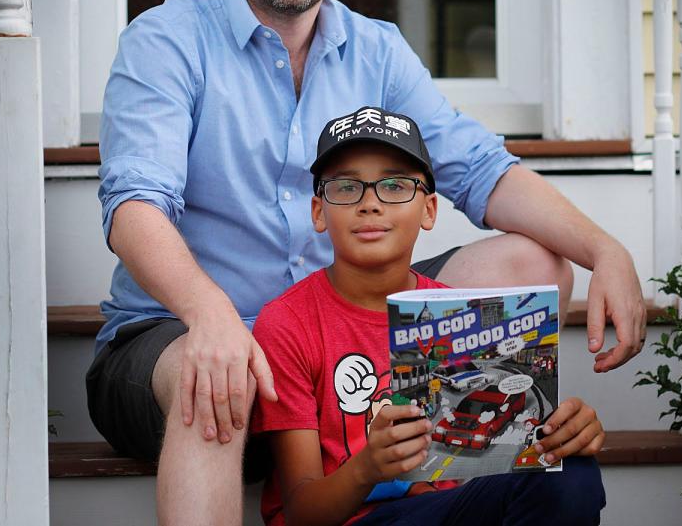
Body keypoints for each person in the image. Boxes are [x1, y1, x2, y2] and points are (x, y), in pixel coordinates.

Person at [86, 0, 643, 526]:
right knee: (211, 371)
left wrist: (605, 250)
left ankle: (437, 491)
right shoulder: (166, 40)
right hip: (174, 335)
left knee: (533, 261)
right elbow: (135, 206)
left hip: (338, 357)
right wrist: (210, 314)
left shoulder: (376, 49)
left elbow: (477, 168)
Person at [251, 106, 606, 525]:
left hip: (445, 510)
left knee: (570, 471)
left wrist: (562, 434)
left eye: (396, 185)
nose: (370, 203)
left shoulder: (460, 316)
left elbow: (503, 452)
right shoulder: (288, 322)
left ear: (429, 209)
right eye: (346, 187)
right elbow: (301, 513)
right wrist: (366, 469)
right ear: (318, 211)